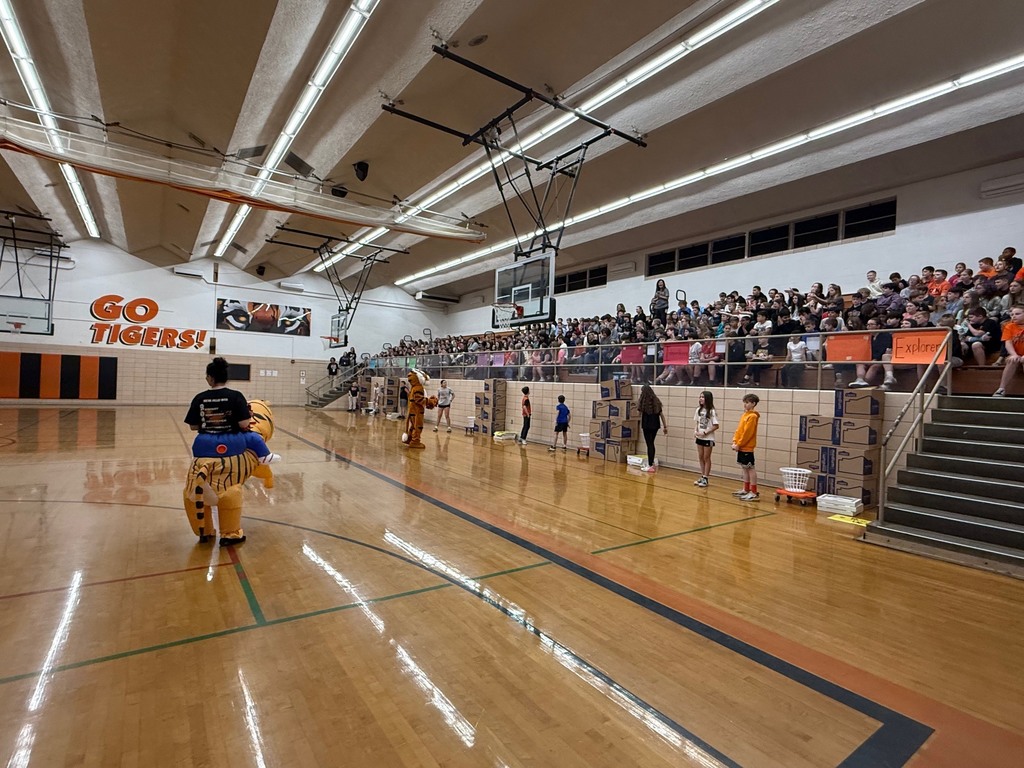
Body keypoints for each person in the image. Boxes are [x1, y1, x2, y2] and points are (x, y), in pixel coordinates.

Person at [731, 393, 761, 501]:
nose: (745, 405)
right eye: (744, 402)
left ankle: (753, 492)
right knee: (744, 468)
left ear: (753, 404)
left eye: (747, 402)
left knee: (750, 468)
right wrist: (735, 441)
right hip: (741, 446)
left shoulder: (752, 416)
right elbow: (739, 430)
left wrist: (739, 444)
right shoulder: (745, 415)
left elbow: (747, 433)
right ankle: (746, 489)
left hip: (747, 447)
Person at [993, 303, 1024, 396]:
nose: (1014, 316)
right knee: (1011, 360)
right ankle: (1001, 388)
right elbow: (1008, 343)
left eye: (1017, 314)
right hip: (1017, 353)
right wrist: (1014, 354)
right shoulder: (1009, 326)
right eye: (1012, 314)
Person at [637, 384, 668, 472]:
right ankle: (651, 463)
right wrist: (665, 426)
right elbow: (662, 415)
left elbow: (638, 415)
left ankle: (650, 465)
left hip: (646, 425)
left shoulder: (643, 403)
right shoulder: (656, 401)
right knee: (651, 443)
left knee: (649, 444)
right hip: (655, 425)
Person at [693, 390, 719, 487]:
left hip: (708, 438)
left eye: (703, 397)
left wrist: (705, 432)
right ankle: (702, 476)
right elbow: (697, 423)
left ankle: (706, 477)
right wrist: (695, 431)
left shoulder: (712, 411)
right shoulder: (698, 410)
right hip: (700, 437)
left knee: (706, 457)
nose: (701, 399)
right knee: (700, 457)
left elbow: (716, 426)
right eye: (700, 397)